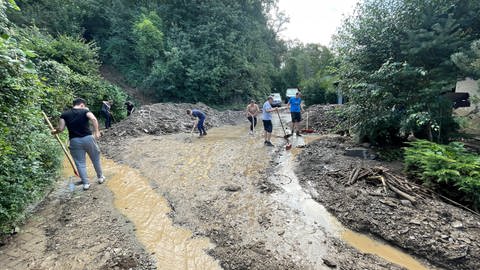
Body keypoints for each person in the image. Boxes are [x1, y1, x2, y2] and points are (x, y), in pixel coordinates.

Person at [52, 98, 105, 190]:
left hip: (74, 141)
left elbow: (60, 129)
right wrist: (97, 132)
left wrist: (54, 132)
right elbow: (93, 119)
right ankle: (100, 177)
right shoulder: (85, 111)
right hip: (88, 139)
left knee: (80, 163)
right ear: (82, 105)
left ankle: (86, 184)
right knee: (95, 158)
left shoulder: (64, 114)